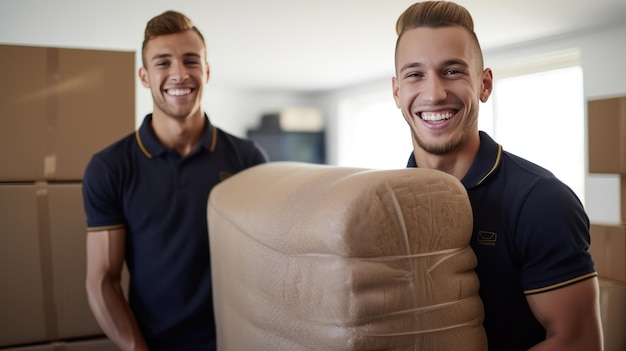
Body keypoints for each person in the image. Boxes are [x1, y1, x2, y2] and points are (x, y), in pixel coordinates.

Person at [392, 2, 603, 350]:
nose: (434, 93)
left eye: (452, 71)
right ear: (397, 92)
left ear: (484, 84)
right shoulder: (390, 202)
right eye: (415, 74)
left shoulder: (541, 200)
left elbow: (578, 341)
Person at [82, 10, 268, 351]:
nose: (179, 74)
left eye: (190, 61)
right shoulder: (110, 167)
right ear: (144, 75)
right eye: (163, 63)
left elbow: (265, 268)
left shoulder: (247, 159)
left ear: (207, 71)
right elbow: (102, 281)